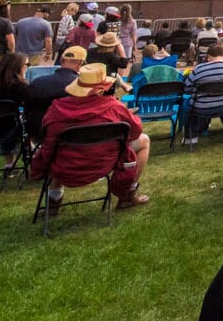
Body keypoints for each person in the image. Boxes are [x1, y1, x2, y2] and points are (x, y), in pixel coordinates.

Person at [29, 63, 151, 211]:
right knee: (144, 140)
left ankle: (54, 199)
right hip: (103, 164)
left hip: (64, 166)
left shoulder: (57, 109)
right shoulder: (114, 107)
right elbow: (136, 131)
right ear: (103, 88)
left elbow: (48, 137)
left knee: (58, 148)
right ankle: (127, 195)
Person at [185, 43, 223, 144]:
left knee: (188, 104)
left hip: (202, 106)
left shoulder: (199, 69)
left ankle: (191, 136)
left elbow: (187, 88)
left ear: (208, 56)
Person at [28, 46, 85, 138]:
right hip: (70, 132)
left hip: (38, 129)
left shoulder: (38, 82)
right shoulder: (82, 86)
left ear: (61, 60)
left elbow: (28, 107)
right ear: (80, 64)